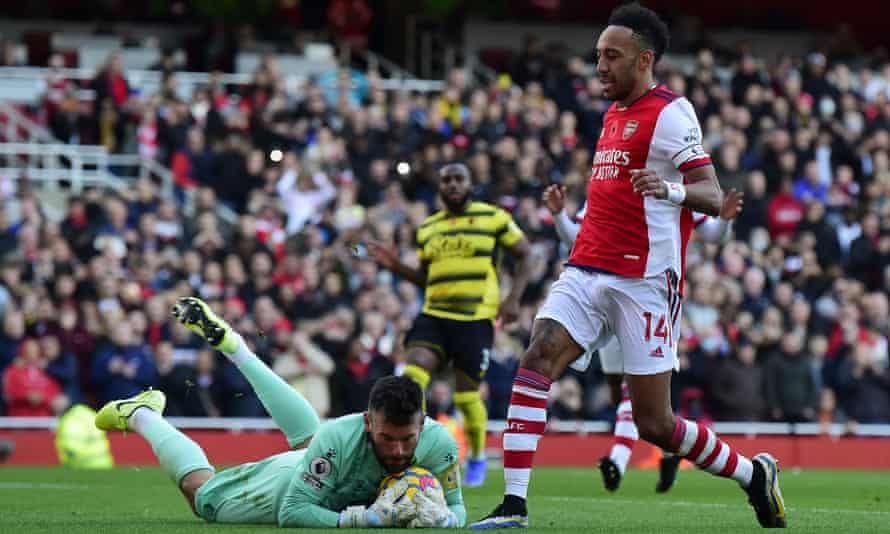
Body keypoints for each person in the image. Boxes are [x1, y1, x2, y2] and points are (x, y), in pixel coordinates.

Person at [471, 3, 785, 529]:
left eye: (611, 56)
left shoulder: (671, 113)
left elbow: (709, 191)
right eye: (597, 55)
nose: (599, 66)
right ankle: (514, 506)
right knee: (537, 354)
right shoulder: (613, 112)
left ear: (644, 60)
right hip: (587, 266)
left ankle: (753, 476)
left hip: (645, 281)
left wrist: (670, 189)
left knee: (655, 423)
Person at [95, 297, 465, 528]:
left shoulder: (440, 445)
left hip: (325, 466)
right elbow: (292, 512)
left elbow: (458, 507)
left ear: (423, 424)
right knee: (202, 498)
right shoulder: (340, 437)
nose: (399, 451)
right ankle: (143, 415)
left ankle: (234, 346)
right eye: (387, 439)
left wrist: (448, 521)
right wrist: (362, 520)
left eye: (407, 440)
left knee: (311, 438)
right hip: (288, 484)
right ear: (369, 423)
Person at [542, 183, 744, 493]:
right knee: (621, 392)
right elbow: (576, 238)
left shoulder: (680, 191)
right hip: (606, 295)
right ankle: (669, 450)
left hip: (653, 299)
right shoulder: (609, 183)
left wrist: (726, 219)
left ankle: (619, 458)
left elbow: (715, 234)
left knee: (638, 393)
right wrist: (559, 216)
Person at [368, 162, 532, 487]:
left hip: (474, 319)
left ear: (470, 183)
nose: (453, 185)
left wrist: (513, 298)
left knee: (466, 398)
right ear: (440, 188)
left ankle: (477, 457)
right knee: (414, 375)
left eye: (459, 178)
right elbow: (427, 278)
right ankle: (421, 451)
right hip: (434, 315)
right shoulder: (428, 227)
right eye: (447, 180)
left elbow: (527, 255)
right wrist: (396, 266)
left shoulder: (493, 217)